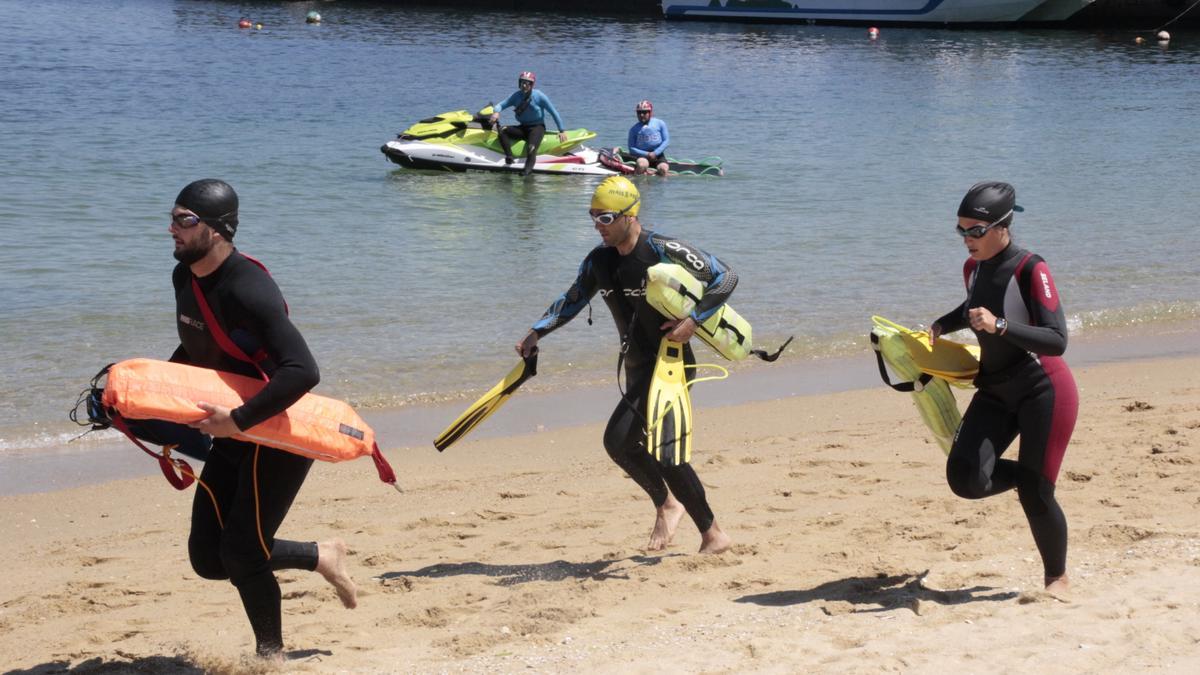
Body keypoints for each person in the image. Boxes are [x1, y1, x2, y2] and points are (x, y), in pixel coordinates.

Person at [168, 179, 357, 659]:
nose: (173, 230)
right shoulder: (184, 278)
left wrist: (239, 421)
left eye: (185, 220)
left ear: (217, 230)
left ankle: (270, 660)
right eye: (172, 218)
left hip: (276, 430)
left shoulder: (249, 288)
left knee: (243, 554)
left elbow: (303, 370)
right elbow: (196, 352)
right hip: (232, 425)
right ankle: (322, 555)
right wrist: (142, 402)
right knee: (208, 559)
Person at [514, 176, 733, 554]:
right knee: (620, 444)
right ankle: (667, 504)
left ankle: (713, 535)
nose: (597, 225)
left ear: (631, 215)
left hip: (672, 365)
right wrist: (537, 332)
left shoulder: (662, 248)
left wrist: (693, 320)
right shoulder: (599, 261)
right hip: (636, 368)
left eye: (605, 217)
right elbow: (573, 298)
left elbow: (724, 276)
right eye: (593, 216)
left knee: (665, 453)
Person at [930, 181, 1078, 597]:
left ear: (1001, 226)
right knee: (965, 479)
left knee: (1038, 495)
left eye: (975, 231)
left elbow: (1057, 340)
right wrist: (943, 324)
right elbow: (972, 307)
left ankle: (1057, 578)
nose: (966, 241)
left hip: (1042, 389)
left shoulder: (1032, 268)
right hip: (995, 390)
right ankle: (1029, 479)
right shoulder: (972, 268)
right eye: (960, 231)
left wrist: (1000, 326)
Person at [489, 70, 568, 176]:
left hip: (537, 128)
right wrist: (496, 112)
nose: (524, 85)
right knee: (502, 130)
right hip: (523, 128)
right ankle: (509, 157)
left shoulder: (539, 96)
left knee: (531, 148)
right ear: (519, 83)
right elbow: (500, 105)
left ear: (532, 84)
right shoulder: (516, 96)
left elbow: (554, 112)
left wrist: (561, 130)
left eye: (527, 83)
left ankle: (526, 172)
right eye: (522, 82)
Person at [624, 100, 670, 176]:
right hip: (642, 156)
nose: (641, 115)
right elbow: (631, 148)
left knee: (663, 169)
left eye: (644, 112)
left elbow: (666, 141)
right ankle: (640, 183)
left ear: (650, 113)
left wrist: (655, 153)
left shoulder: (660, 123)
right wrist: (647, 154)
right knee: (642, 165)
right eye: (639, 112)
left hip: (658, 155)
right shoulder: (633, 129)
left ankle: (660, 186)